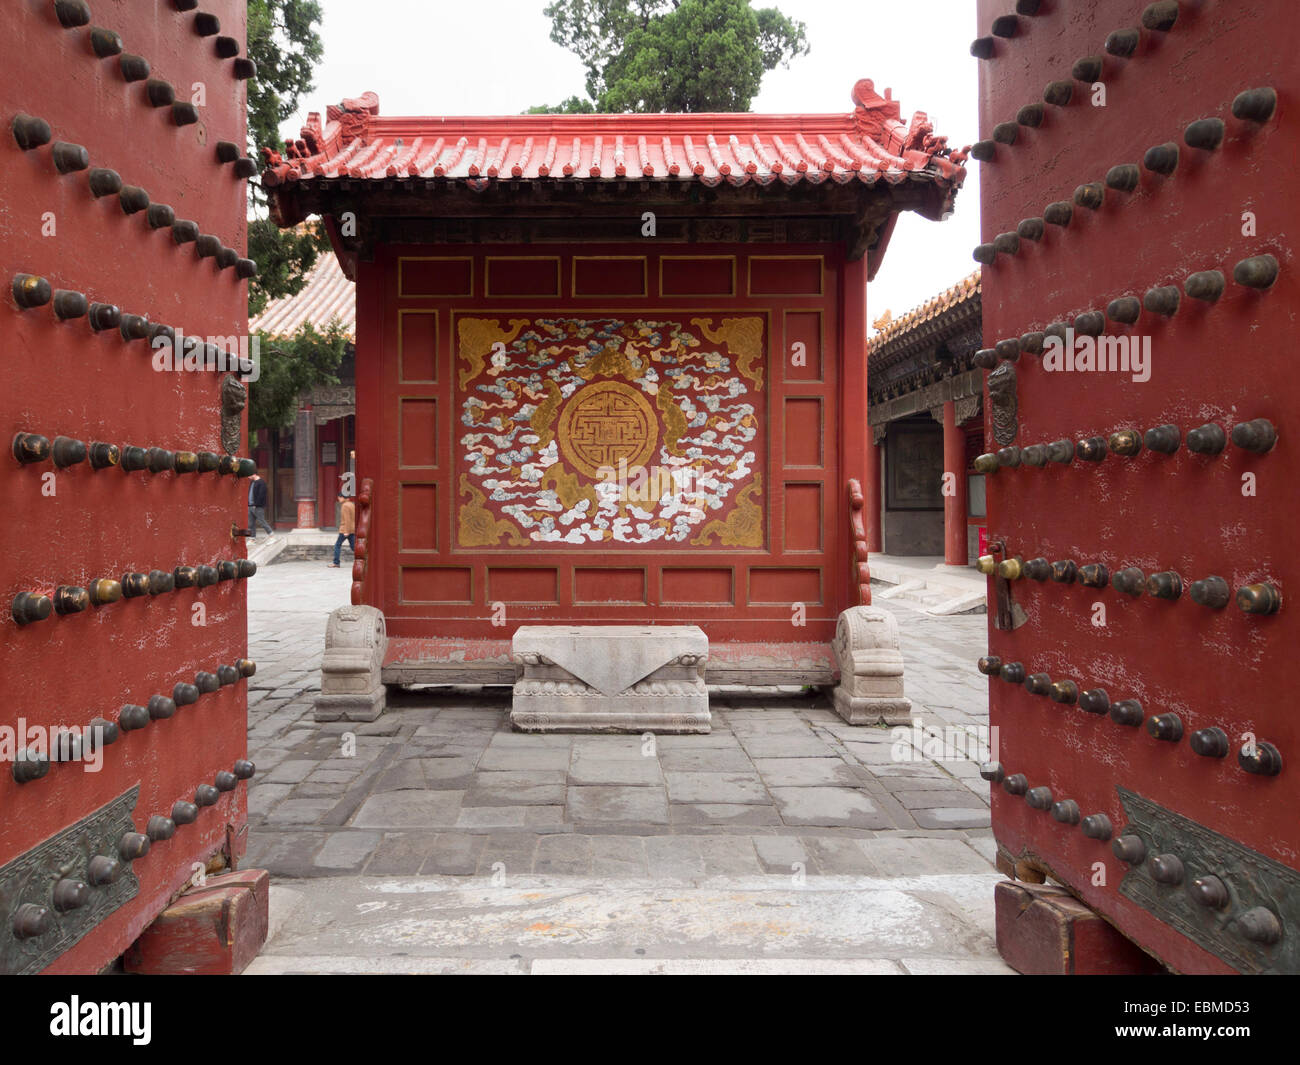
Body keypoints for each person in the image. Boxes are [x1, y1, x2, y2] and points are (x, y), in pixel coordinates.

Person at [331, 494, 355, 567]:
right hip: (352, 528)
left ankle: (336, 562)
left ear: (342, 497)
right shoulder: (351, 504)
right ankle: (365, 559)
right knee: (354, 546)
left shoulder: (345, 506)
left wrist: (346, 531)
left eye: (339, 498)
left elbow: (347, 519)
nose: (339, 500)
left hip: (345, 529)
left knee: (337, 545)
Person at [247, 474, 274, 539]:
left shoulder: (262, 483)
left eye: (249, 475)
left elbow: (261, 495)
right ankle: (252, 539)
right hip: (250, 506)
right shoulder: (252, 482)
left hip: (257, 506)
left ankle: (271, 535)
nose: (248, 477)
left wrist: (256, 504)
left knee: (261, 521)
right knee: (251, 524)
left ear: (253, 474)